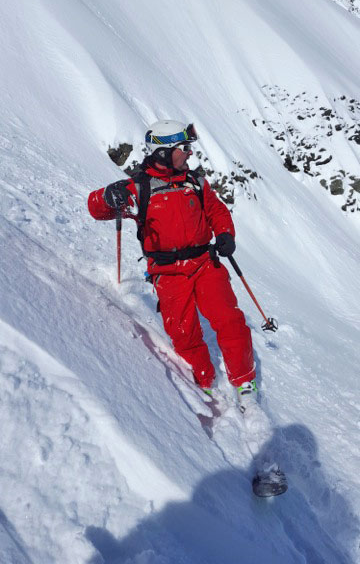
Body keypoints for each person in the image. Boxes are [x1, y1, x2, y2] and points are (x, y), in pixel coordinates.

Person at [88, 120, 257, 408]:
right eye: (184, 148)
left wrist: (225, 233)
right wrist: (107, 197)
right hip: (167, 272)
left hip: (205, 263)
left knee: (230, 319)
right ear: (164, 152)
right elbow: (97, 209)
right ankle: (205, 380)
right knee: (183, 332)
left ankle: (244, 381)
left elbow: (216, 210)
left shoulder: (195, 182)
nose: (190, 154)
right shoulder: (139, 187)